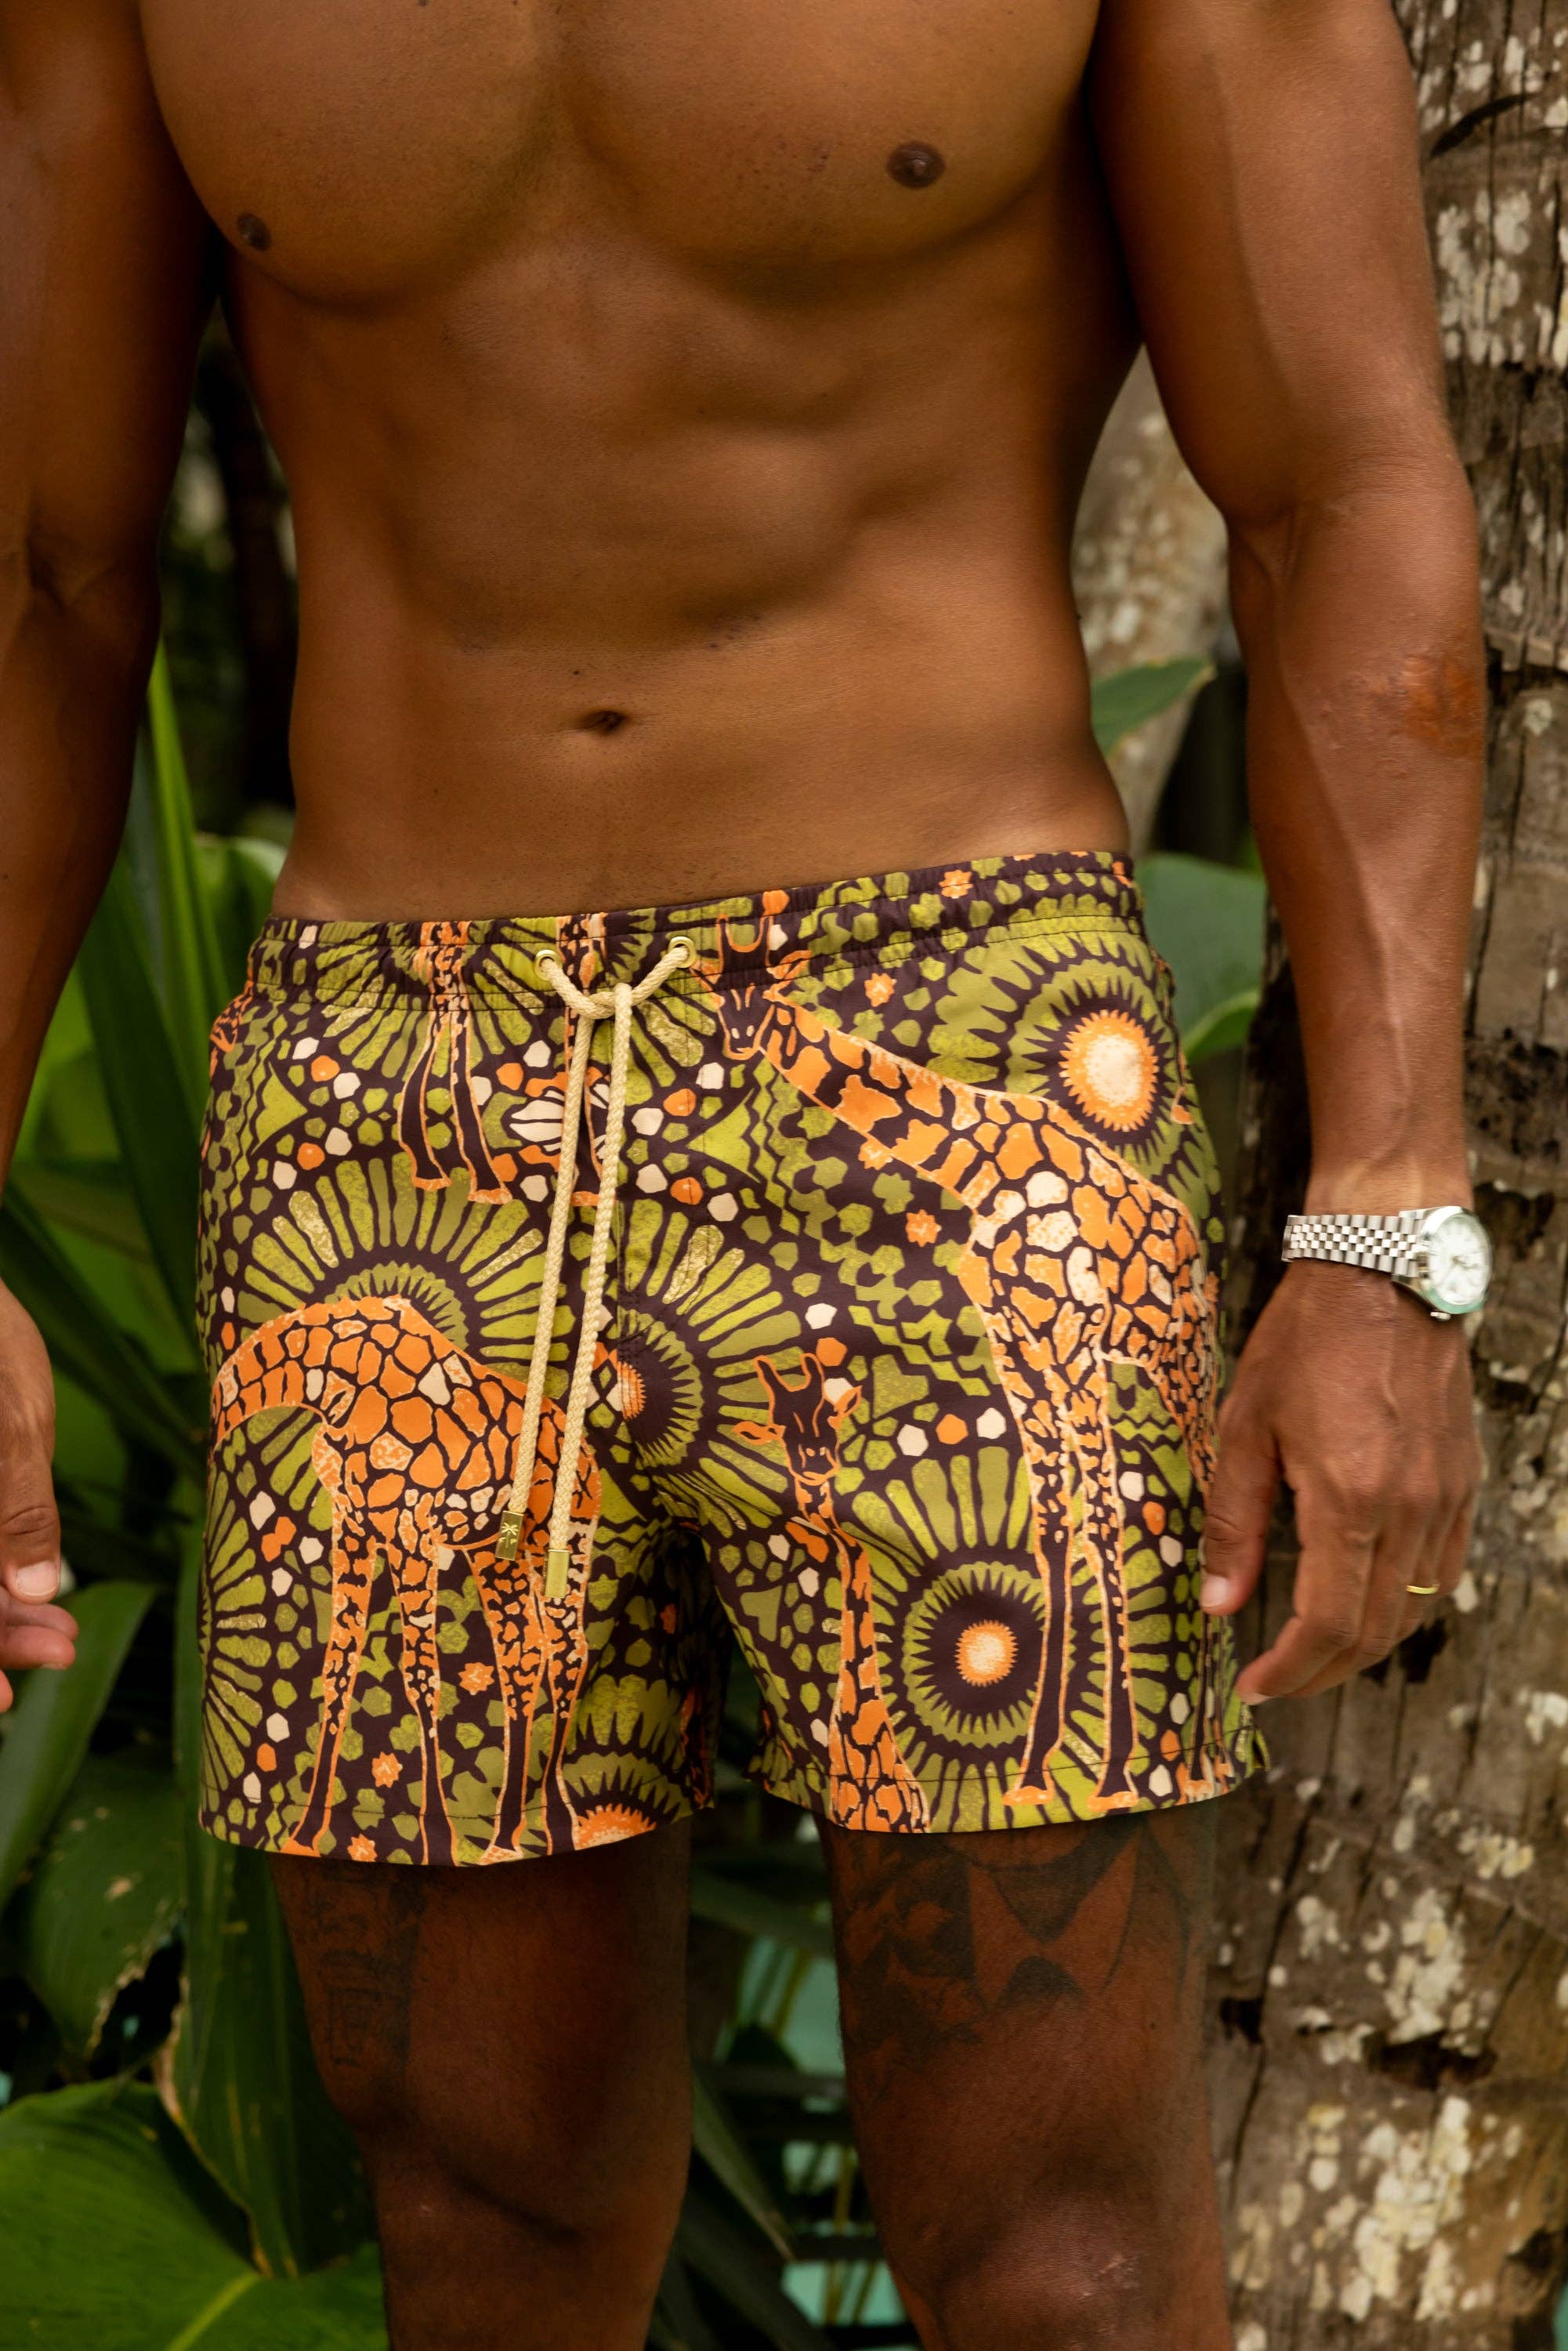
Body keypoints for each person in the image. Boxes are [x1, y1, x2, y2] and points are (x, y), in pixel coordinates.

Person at [0, 0, 1489, 2342]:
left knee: (1061, 2254)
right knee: (474, 2215)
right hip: (390, 1097)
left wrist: (1387, 1222)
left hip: (956, 1058)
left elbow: (1339, 489)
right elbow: (47, 570)